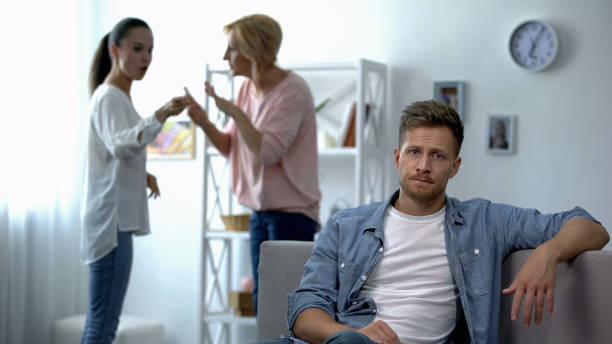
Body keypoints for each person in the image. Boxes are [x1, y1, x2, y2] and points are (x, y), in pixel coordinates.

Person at [254, 100, 609, 344]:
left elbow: (590, 227)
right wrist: (352, 335)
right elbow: (304, 313)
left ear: (454, 167)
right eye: (414, 152)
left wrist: (548, 252)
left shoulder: (485, 221)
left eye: (437, 155)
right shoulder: (346, 225)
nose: (424, 165)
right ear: (397, 157)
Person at [185, 14, 321, 314]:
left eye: (232, 48)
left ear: (253, 49)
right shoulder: (247, 89)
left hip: (292, 215)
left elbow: (267, 153)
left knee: (287, 308)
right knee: (264, 303)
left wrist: (234, 111)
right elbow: (232, 148)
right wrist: (203, 120)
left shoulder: (293, 90)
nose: (225, 56)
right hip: (260, 213)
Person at [81, 17, 188, 343]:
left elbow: (114, 152)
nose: (146, 58)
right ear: (115, 50)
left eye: (151, 50)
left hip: (114, 223)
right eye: (138, 49)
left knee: (102, 321)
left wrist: (144, 174)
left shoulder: (116, 98)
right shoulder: (110, 97)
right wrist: (162, 113)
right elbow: (120, 144)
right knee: (103, 324)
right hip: (111, 225)